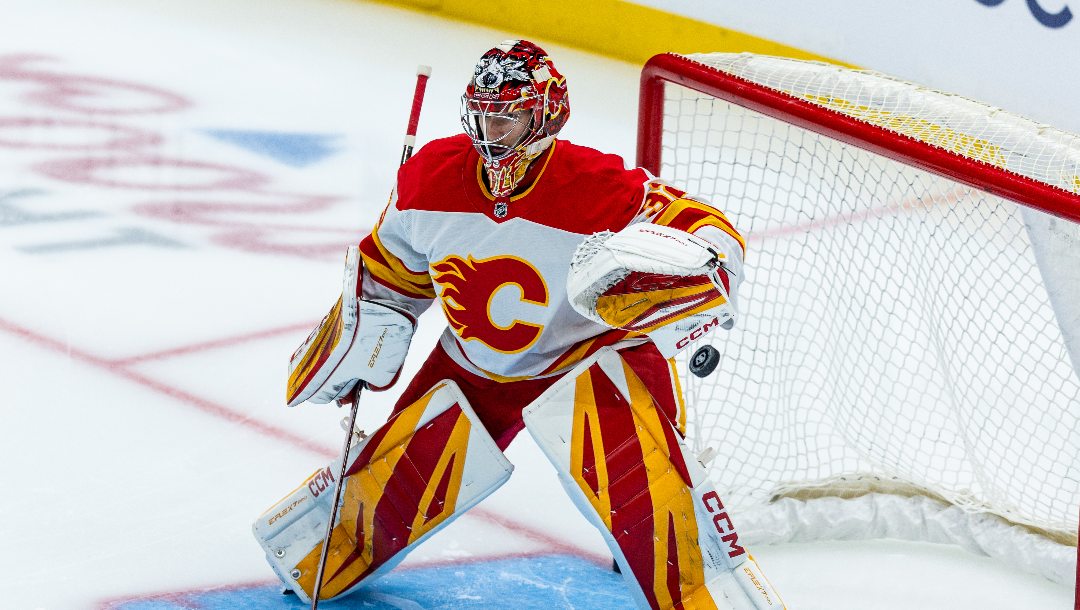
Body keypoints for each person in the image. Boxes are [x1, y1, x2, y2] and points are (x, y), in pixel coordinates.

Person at [254, 40, 785, 610]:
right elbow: (390, 271)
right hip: (472, 367)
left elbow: (709, 231)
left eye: (509, 117)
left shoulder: (597, 185)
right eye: (484, 114)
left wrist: (695, 275)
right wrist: (361, 337)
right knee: (350, 538)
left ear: (546, 115)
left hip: (585, 361)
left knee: (664, 528)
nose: (493, 131)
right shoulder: (429, 176)